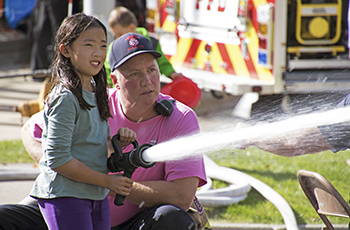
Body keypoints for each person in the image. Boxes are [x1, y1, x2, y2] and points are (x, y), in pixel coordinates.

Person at [0, 33, 207, 230]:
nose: (147, 80)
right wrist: (65, 167)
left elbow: (182, 196)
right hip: (71, 210)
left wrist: (106, 184)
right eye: (135, 73)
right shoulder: (87, 101)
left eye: (152, 70)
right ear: (115, 81)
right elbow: (29, 130)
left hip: (134, 223)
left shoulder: (180, 117)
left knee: (172, 219)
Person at [28, 13, 137, 230]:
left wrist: (115, 144)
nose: (98, 52)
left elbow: (87, 145)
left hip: (94, 195)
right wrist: (107, 182)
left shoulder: (97, 92)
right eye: (89, 45)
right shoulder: (66, 98)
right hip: (65, 196)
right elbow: (58, 159)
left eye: (103, 45)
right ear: (66, 50)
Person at [105, 6, 183, 87]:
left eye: (120, 34)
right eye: (116, 35)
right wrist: (109, 87)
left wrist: (172, 73)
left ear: (131, 27)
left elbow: (162, 63)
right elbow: (108, 69)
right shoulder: (114, 47)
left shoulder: (152, 43)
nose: (117, 38)